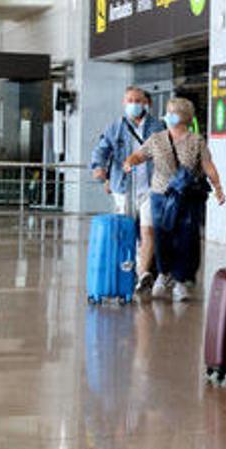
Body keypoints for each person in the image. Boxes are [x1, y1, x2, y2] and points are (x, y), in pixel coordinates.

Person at [123, 97, 225, 302]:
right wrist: (129, 162)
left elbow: (207, 165)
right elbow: (140, 155)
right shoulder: (157, 139)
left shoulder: (196, 141)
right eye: (168, 111)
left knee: (186, 238)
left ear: (183, 116)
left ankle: (181, 280)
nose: (168, 115)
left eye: (172, 112)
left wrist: (218, 187)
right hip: (160, 195)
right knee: (162, 236)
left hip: (186, 196)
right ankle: (163, 274)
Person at [90, 87, 166, 294]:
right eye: (130, 100)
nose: (133, 104)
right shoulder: (115, 127)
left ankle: (142, 274)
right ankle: (129, 270)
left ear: (146, 104)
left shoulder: (157, 127)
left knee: (148, 230)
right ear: (124, 103)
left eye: (137, 100)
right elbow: (102, 149)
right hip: (123, 188)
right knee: (127, 231)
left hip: (150, 187)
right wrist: (98, 167)